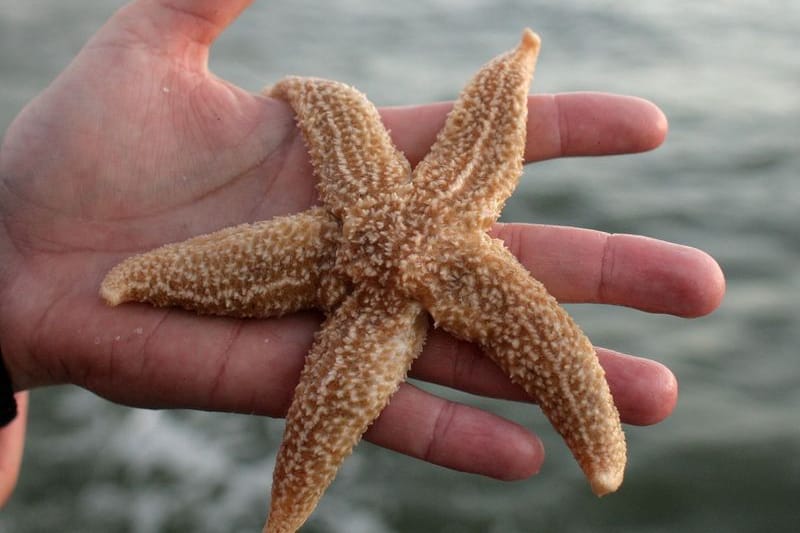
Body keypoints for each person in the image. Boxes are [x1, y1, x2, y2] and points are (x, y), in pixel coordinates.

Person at [0, 0, 725, 508]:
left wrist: (15, 265)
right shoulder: (410, 187)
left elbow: (390, 109)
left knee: (561, 378)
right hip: (365, 281)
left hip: (378, 286)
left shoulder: (422, 186)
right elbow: (338, 108)